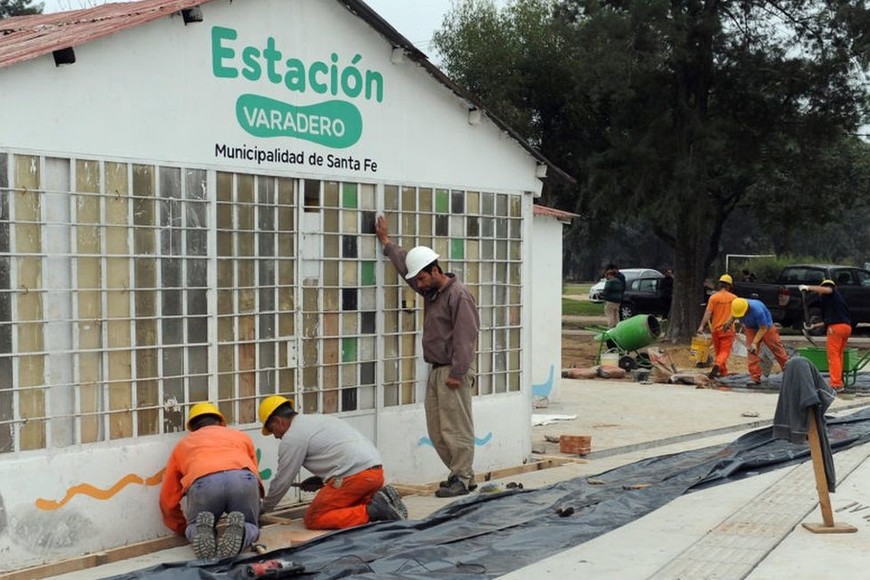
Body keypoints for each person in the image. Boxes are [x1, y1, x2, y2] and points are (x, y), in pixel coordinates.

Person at [375, 215, 480, 498]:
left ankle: (463, 477)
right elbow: (405, 267)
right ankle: (460, 474)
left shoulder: (458, 295)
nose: (418, 285)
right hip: (436, 368)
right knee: (437, 429)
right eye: (417, 281)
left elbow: (466, 337)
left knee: (455, 426)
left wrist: (458, 372)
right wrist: (387, 243)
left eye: (421, 278)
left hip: (453, 370)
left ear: (435, 270)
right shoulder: (431, 292)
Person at [258, 395, 408, 528]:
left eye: (272, 430)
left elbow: (283, 480)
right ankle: (379, 500)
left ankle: (373, 510)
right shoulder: (317, 420)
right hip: (375, 475)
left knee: (314, 518)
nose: (275, 436)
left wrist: (263, 509)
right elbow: (342, 453)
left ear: (278, 421)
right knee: (348, 508)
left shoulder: (292, 437)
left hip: (356, 479)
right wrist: (323, 480)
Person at [159, 402, 263, 560]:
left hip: (204, 482)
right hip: (242, 478)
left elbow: (168, 497)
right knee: (250, 524)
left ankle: (199, 531)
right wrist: (257, 506)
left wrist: (182, 528)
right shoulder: (240, 436)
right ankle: (243, 531)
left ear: (193, 427)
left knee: (196, 525)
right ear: (221, 422)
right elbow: (254, 471)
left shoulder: (183, 444)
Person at [799, 279, 852, 390]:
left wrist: (808, 287)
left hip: (836, 329)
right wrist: (814, 326)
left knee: (833, 356)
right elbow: (831, 319)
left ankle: (836, 384)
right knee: (838, 355)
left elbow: (827, 289)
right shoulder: (835, 301)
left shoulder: (831, 292)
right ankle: (839, 381)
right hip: (846, 328)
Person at [726, 297, 789, 386]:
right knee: (751, 351)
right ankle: (755, 377)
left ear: (746, 308)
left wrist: (755, 343)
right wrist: (729, 322)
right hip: (750, 328)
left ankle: (789, 371)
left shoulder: (757, 310)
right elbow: (734, 314)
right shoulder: (737, 307)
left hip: (766, 328)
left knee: (777, 349)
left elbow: (763, 328)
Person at [697, 274, 737, 378]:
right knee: (725, 352)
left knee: (719, 352)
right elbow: (737, 313)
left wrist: (701, 326)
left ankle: (723, 372)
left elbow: (708, 313)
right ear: (729, 286)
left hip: (715, 329)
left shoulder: (714, 297)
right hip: (728, 330)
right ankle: (718, 364)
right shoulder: (734, 298)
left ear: (720, 285)